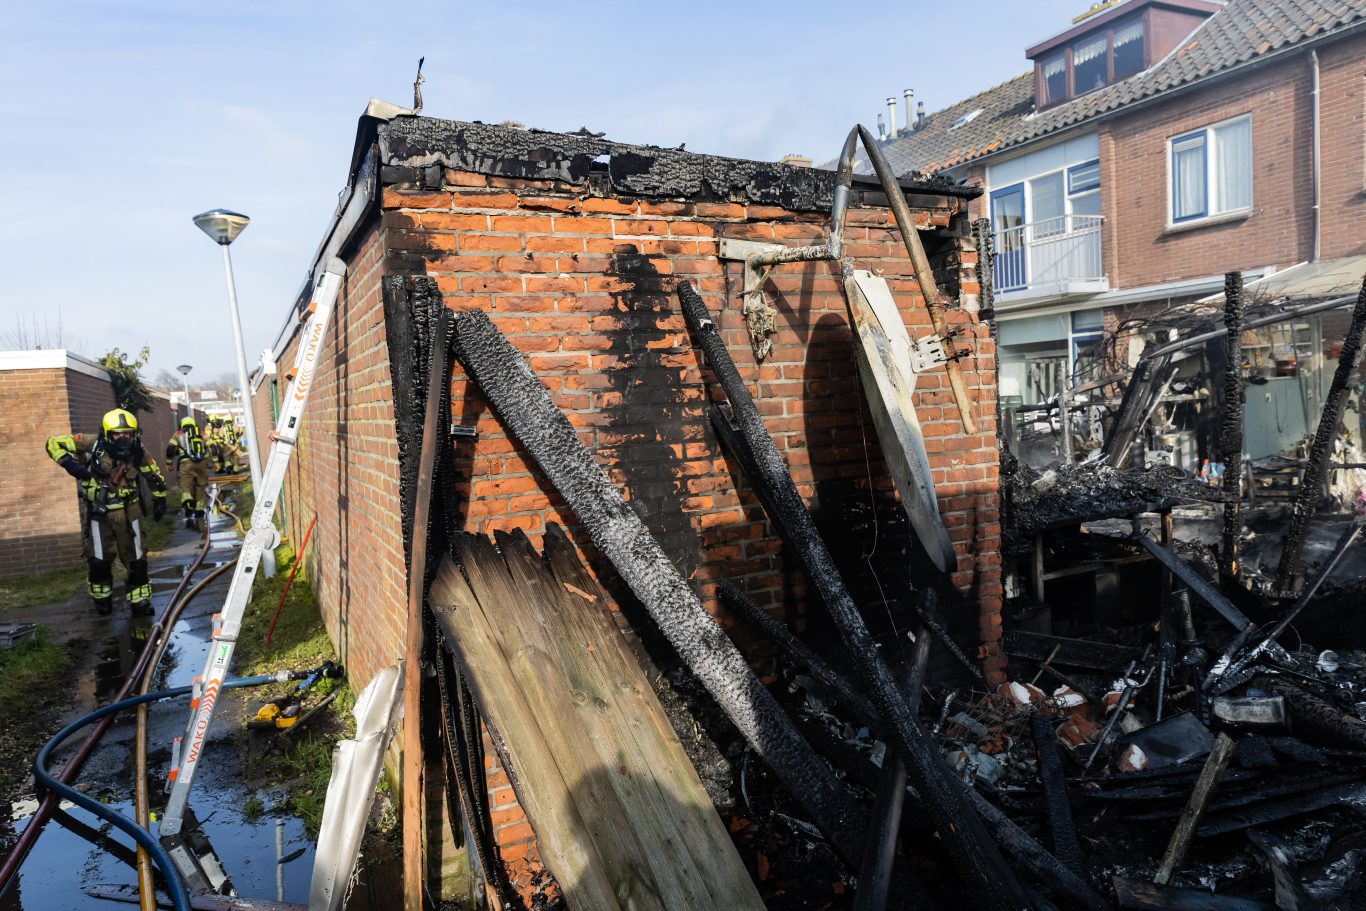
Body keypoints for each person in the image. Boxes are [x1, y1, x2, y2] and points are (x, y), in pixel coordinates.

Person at [46, 408, 168, 616]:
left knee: (137, 558)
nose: (122, 437)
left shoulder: (137, 450)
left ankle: (139, 601)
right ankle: (101, 598)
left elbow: (152, 474)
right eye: (117, 434)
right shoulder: (91, 443)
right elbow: (52, 443)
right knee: (99, 560)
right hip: (99, 514)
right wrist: (70, 465)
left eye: (126, 433)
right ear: (107, 433)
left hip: (131, 512)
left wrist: (160, 498)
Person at [166, 415, 210, 531]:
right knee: (200, 487)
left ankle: (188, 503)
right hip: (201, 464)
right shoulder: (201, 434)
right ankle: (199, 512)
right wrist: (216, 462)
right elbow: (213, 447)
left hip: (186, 464)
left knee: (186, 486)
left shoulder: (178, 434)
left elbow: (170, 449)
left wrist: (169, 464)